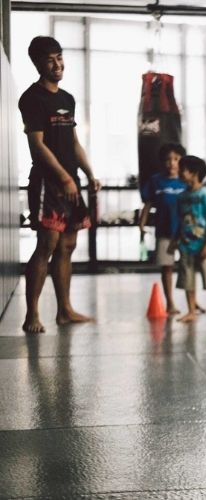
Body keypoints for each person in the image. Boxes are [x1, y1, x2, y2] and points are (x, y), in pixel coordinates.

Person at [18, 36, 101, 334]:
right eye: (50, 59)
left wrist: (89, 173)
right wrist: (64, 178)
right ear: (38, 63)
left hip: (72, 183)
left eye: (60, 57)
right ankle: (32, 315)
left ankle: (65, 310)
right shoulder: (32, 98)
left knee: (68, 244)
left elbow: (74, 142)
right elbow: (37, 146)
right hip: (47, 183)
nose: (58, 64)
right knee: (47, 244)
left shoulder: (67, 99)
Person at [169, 156, 206, 323]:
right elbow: (180, 220)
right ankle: (191, 310)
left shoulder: (205, 194)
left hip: (203, 246)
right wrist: (174, 241)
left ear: (194, 173)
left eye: (183, 169)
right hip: (186, 245)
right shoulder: (181, 197)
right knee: (188, 280)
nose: (179, 172)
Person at [139, 143, 187, 315]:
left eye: (176, 159)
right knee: (166, 266)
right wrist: (142, 224)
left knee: (188, 266)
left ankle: (193, 303)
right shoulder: (156, 181)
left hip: (185, 232)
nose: (172, 163)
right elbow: (148, 204)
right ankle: (170, 303)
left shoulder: (186, 180)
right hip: (164, 230)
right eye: (168, 160)